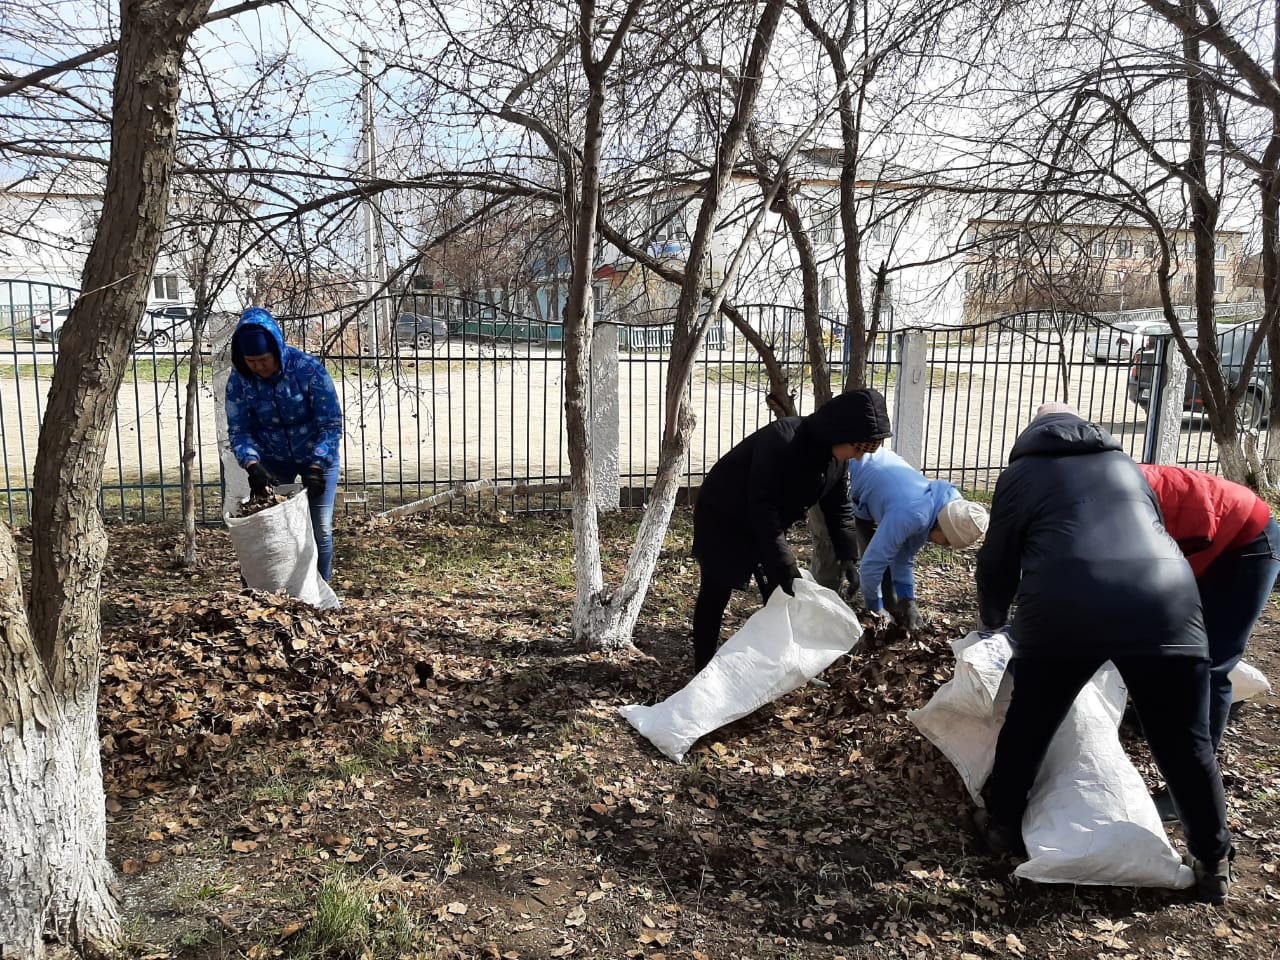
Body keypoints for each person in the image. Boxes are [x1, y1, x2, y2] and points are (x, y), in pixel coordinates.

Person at [973, 402, 1232, 904]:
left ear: (1033, 433)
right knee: (1185, 743)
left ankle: (1000, 825)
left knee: (1031, 723)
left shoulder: (1021, 474)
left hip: (1064, 610)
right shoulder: (1125, 464)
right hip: (1166, 608)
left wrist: (991, 624)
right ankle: (1212, 860)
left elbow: (997, 562)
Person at [690, 388, 894, 674]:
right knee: (717, 588)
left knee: (780, 596)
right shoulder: (783, 441)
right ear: (840, 433)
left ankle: (779, 668)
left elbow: (839, 507)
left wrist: (848, 556)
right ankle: (703, 666)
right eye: (858, 449)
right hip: (724, 516)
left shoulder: (836, 460)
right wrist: (785, 565)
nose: (858, 458)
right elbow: (763, 508)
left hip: (766, 520)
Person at [1139, 464, 1280, 756]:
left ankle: (1196, 763)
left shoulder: (1103, 503)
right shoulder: (1071, 499)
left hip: (1246, 538)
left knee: (1210, 660)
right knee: (1162, 640)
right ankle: (1158, 717)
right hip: (1192, 540)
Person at [225, 306, 343, 581]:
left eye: (263, 360)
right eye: (251, 361)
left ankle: (320, 592)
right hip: (271, 461)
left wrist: (318, 465)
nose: (258, 367)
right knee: (266, 528)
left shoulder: (307, 370)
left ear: (277, 350)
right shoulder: (239, 381)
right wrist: (252, 464)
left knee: (321, 530)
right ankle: (258, 593)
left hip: (317, 457)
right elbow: (240, 429)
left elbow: (330, 424)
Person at [847, 447, 989, 632]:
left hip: (879, 484)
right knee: (833, 555)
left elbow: (903, 557)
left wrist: (908, 600)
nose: (945, 546)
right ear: (942, 527)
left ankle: (890, 611)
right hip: (849, 464)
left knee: (884, 569)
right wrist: (875, 608)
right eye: (947, 541)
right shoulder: (913, 515)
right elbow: (872, 563)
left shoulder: (943, 507)